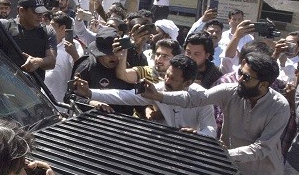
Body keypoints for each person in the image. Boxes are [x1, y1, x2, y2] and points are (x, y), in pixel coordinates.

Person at [142, 53, 289, 175]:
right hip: (229, 168)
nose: (240, 78)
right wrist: (159, 96)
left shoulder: (280, 107)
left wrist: (222, 154)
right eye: (240, 72)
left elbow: (262, 148)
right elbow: (196, 98)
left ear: (263, 84)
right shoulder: (231, 91)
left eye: (246, 77)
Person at [74, 55, 216, 137]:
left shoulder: (202, 98)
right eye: (167, 75)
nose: (167, 81)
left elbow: (210, 130)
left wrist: (198, 134)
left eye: (173, 79)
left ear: (188, 82)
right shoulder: (157, 90)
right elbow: (123, 96)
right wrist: (90, 93)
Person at [0, 0, 57, 80]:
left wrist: (38, 62)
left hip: (33, 91)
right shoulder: (3, 27)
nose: (40, 16)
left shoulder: (47, 31)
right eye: (36, 12)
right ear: (22, 11)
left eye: (42, 12)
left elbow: (51, 61)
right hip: (4, 87)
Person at [44, 13, 83, 101]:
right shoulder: (47, 43)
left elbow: (80, 69)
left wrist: (73, 53)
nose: (49, 28)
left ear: (62, 28)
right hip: (44, 94)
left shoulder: (74, 45)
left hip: (61, 97)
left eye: (52, 25)